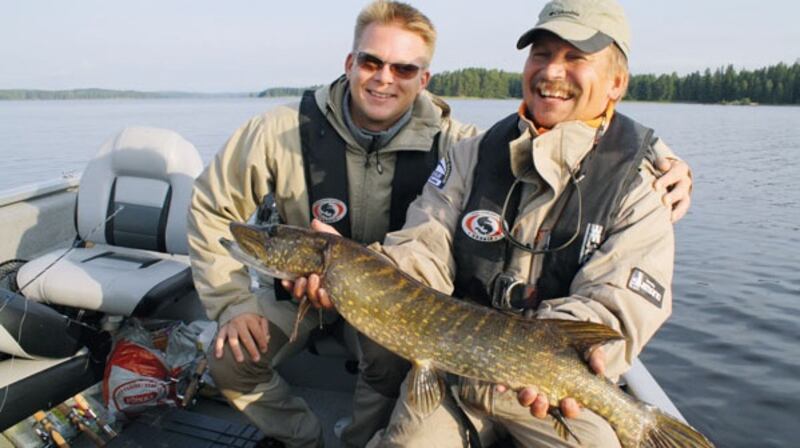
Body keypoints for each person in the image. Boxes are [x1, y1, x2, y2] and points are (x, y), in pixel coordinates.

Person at [189, 1, 692, 447]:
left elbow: (615, 310)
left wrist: (655, 152)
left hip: (548, 388)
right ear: (350, 63)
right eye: (541, 54)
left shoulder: (642, 184)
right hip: (447, 370)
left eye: (575, 58)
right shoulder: (472, 154)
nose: (552, 72)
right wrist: (240, 299)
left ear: (617, 83)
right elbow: (424, 242)